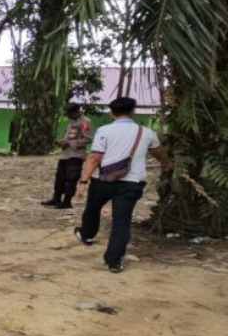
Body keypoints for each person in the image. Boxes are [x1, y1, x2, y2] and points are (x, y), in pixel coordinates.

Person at [74, 97, 172, 273]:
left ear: (112, 113)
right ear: (133, 111)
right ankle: (114, 261)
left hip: (103, 180)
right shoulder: (146, 132)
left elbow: (95, 157)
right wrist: (167, 165)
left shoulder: (104, 131)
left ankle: (87, 234)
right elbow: (159, 153)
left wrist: (83, 182)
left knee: (92, 208)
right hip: (132, 182)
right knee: (121, 221)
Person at [42, 103, 92, 209]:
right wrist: (63, 141)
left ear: (77, 111)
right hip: (65, 154)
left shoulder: (85, 121)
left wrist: (70, 143)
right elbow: (70, 136)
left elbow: (88, 139)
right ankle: (56, 198)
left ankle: (66, 202)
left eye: (71, 113)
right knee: (60, 177)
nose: (69, 115)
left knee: (71, 179)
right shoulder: (72, 121)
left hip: (76, 155)